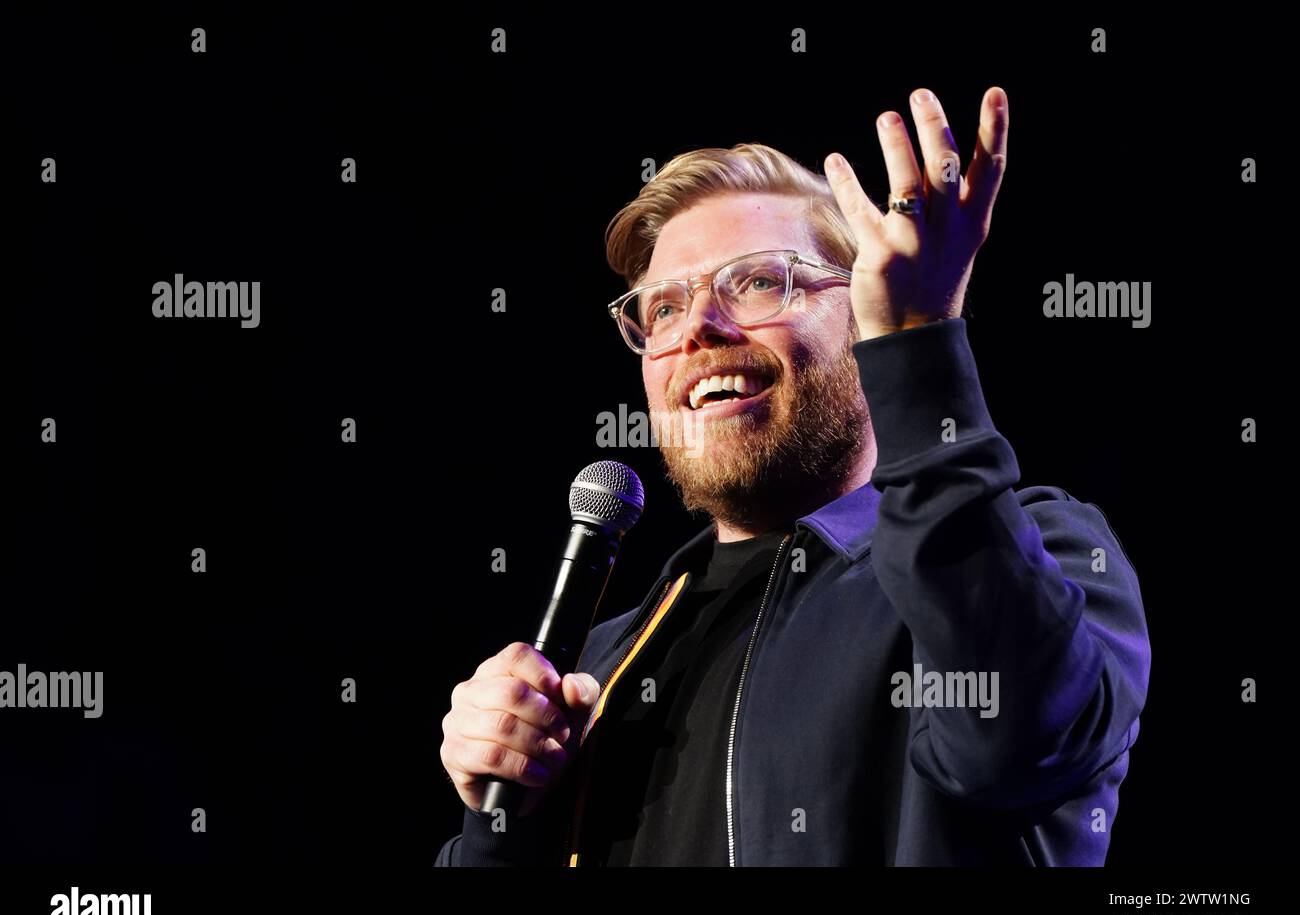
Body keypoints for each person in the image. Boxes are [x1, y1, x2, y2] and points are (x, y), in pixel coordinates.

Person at [436, 87, 1150, 866]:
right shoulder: (607, 661)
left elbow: (1021, 744)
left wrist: (918, 344)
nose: (697, 327)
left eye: (755, 281)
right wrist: (502, 814)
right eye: (663, 307)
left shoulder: (1042, 551)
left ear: (863, 313)